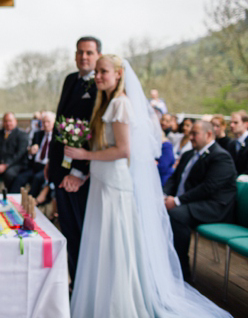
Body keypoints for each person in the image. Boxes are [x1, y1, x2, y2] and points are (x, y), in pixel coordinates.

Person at [65, 55, 231, 318]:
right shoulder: (106, 103)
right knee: (101, 246)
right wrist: (83, 174)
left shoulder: (120, 104)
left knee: (116, 247)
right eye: (96, 72)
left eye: (103, 71)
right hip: (101, 181)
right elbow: (103, 148)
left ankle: (119, 306)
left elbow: (122, 150)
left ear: (118, 74)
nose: (97, 76)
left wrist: (84, 157)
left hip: (114, 186)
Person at [46, 36, 100, 284]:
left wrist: (79, 172)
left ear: (98, 55)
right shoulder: (70, 79)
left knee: (81, 231)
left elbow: (95, 133)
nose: (84, 57)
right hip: (60, 168)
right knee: (66, 227)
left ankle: (82, 283)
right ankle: (73, 282)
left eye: (89, 52)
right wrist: (51, 161)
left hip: (80, 174)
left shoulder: (100, 86)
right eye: (79, 52)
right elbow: (59, 123)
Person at [164, 120, 237, 280]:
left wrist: (176, 201)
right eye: (190, 133)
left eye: (194, 133)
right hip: (191, 201)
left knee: (176, 215)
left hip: (214, 207)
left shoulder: (221, 157)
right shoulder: (189, 154)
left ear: (208, 134)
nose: (190, 137)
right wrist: (164, 196)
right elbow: (173, 179)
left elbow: (208, 188)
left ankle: (182, 271)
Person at [10, 112, 54, 197]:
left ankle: (29, 203)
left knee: (36, 179)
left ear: (53, 123)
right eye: (43, 122)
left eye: (48, 122)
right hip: (34, 166)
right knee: (19, 178)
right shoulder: (38, 134)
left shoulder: (56, 138)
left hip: (46, 168)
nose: (45, 124)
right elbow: (30, 154)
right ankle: (11, 199)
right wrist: (30, 152)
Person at [227, 110, 248, 176]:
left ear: (246, 124)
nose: (232, 125)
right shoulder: (231, 143)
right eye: (231, 122)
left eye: (236, 123)